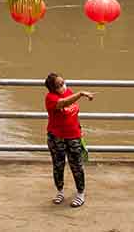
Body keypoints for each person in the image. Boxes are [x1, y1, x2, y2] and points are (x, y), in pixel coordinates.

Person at [44, 72, 94, 208]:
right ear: (53, 88)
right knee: (58, 165)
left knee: (76, 166)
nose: (63, 86)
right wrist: (81, 94)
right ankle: (60, 192)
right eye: (59, 85)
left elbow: (74, 112)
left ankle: (80, 193)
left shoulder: (69, 92)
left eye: (63, 82)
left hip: (73, 136)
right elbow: (64, 103)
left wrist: (79, 130)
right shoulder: (51, 98)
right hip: (57, 137)